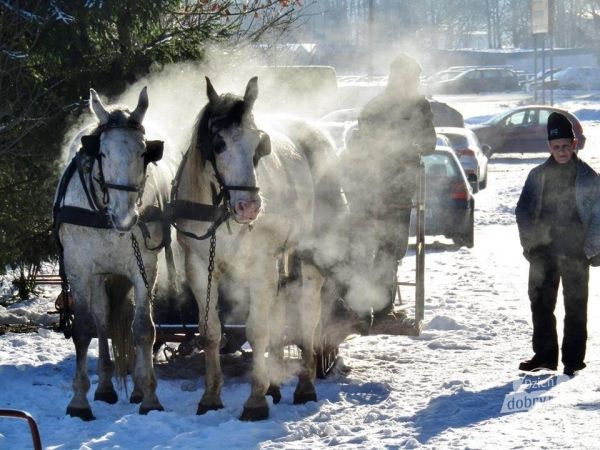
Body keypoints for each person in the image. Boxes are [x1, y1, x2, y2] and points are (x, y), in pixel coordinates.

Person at [341, 53, 436, 331]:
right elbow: (428, 143)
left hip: (370, 190)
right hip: (391, 189)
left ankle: (361, 309)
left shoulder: (373, 105)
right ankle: (380, 311)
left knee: (369, 248)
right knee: (388, 250)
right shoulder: (417, 105)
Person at [516, 111, 600, 376]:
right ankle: (544, 356)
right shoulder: (537, 175)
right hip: (544, 251)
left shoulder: (589, 178)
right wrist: (531, 245)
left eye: (565, 146)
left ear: (574, 144)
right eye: (556, 147)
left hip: (576, 252)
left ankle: (573, 361)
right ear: (549, 147)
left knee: (575, 307)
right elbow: (523, 212)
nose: (561, 151)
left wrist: (589, 250)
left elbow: (599, 217)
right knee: (541, 304)